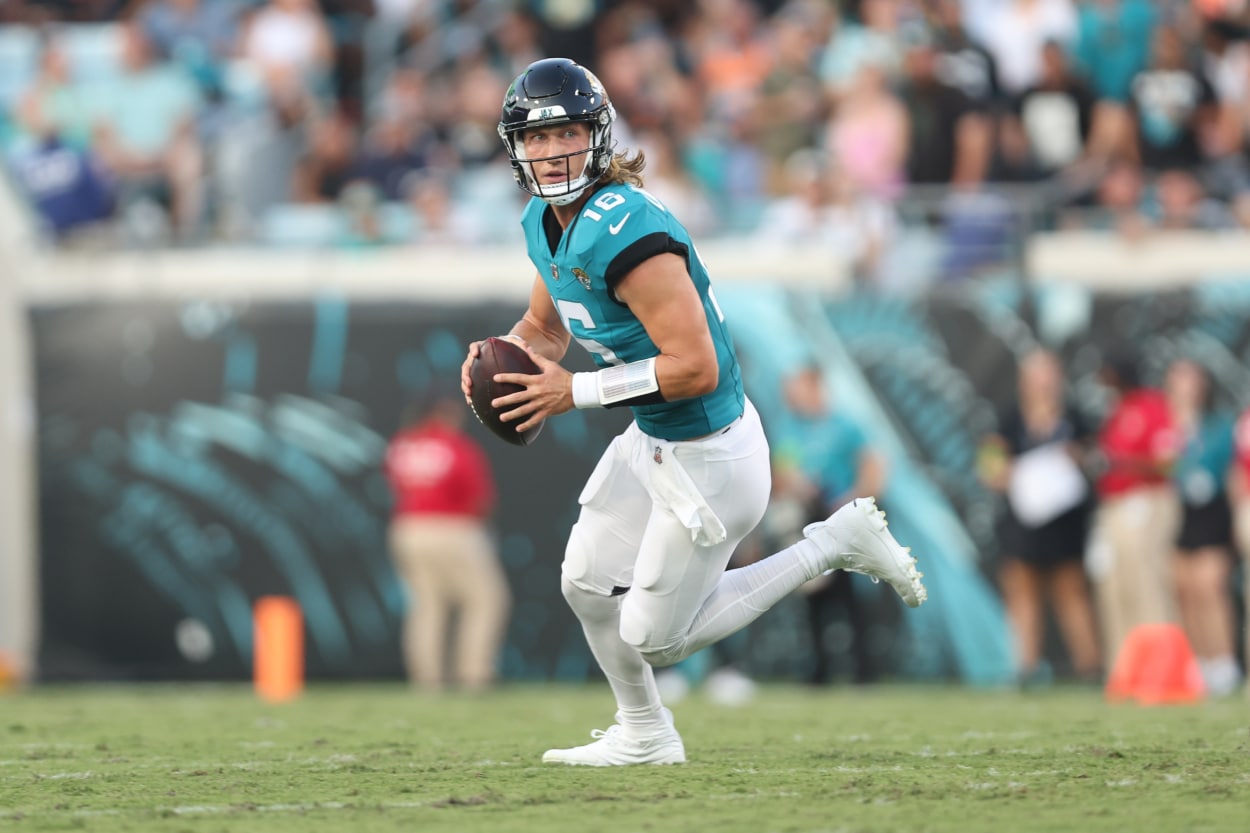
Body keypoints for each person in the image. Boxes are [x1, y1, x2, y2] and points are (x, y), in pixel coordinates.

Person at [459, 57, 927, 767]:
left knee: (656, 636)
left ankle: (835, 541)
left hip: (712, 452)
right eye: (537, 138)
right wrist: (504, 352)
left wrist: (573, 391)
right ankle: (645, 732)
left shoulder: (625, 230)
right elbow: (547, 325)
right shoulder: (544, 222)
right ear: (515, 148)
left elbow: (694, 367)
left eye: (569, 134)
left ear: (598, 135)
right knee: (585, 580)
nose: (552, 152)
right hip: (653, 438)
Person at [977, 349, 1101, 687]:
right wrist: (1006, 472)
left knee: (1071, 594)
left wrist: (1075, 458)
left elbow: (1094, 458)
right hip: (1023, 523)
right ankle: (1025, 669)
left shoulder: (1075, 418)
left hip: (1065, 522)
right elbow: (988, 466)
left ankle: (1089, 668)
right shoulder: (1009, 419)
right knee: (1023, 595)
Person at [384, 394, 510, 692]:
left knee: (427, 606)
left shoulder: (401, 444)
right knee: (486, 600)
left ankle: (427, 680)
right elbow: (480, 497)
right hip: (453, 527)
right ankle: (474, 675)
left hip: (408, 528)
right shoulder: (455, 446)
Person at [772, 364, 888, 686]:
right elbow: (782, 472)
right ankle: (819, 670)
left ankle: (863, 670)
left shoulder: (845, 425)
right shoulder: (790, 428)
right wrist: (798, 485)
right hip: (810, 519)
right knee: (812, 595)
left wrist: (853, 501)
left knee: (851, 597)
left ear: (815, 385)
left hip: (842, 520)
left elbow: (874, 465)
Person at [1086, 353, 1179, 669]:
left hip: (1146, 500)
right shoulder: (1116, 409)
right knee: (1114, 586)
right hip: (1113, 507)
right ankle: (1125, 668)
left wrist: (1121, 463)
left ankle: (1161, 667)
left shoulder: (1152, 405)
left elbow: (1167, 462)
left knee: (1146, 583)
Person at [1163, 358, 1241, 696]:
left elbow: (1230, 468)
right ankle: (1202, 661)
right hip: (1175, 512)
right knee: (1185, 589)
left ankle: (1225, 660)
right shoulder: (1164, 424)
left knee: (1210, 586)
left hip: (1212, 511)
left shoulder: (1219, 425)